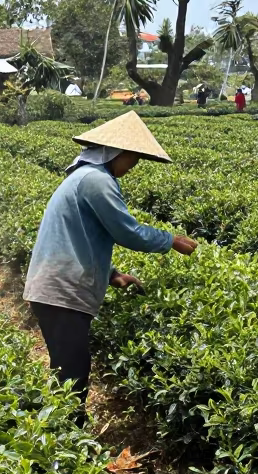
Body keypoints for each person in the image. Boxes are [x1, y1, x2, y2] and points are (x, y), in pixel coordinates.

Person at [23, 111, 197, 408]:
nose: (132, 166)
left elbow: (83, 236)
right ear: (116, 152)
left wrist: (111, 273)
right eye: (133, 158)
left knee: (67, 369)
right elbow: (125, 231)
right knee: (72, 376)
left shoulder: (83, 177)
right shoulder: (96, 180)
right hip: (62, 291)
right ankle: (67, 441)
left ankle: (60, 434)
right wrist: (171, 241)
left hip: (55, 287)